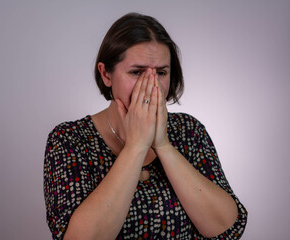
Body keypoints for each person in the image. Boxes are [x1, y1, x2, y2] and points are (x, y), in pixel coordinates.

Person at [43, 13, 248, 240]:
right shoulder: (69, 139)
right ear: (106, 74)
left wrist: (162, 145)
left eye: (161, 72)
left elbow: (226, 228)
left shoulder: (190, 131)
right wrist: (136, 146)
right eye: (136, 72)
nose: (152, 86)